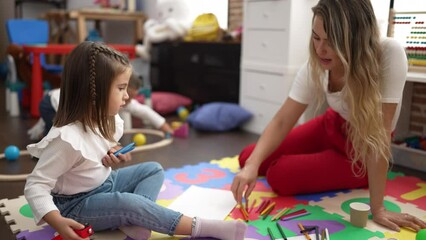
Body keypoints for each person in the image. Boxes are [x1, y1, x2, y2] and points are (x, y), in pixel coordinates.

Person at [231, 0, 426, 233]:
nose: (320, 49)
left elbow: (380, 138)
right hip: (331, 126)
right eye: (316, 37)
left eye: (331, 41)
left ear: (355, 39)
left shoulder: (388, 54)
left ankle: (355, 176)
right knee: (248, 158)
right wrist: (252, 166)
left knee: (279, 174)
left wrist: (378, 208)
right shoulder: (316, 63)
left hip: (362, 148)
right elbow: (283, 120)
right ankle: (315, 162)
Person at [24, 41, 247, 240]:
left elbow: (95, 152)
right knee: (130, 203)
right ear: (94, 94)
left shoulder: (108, 121)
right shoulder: (67, 140)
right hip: (75, 206)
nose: (127, 96)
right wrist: (57, 221)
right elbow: (36, 185)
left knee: (153, 169)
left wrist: (112, 152)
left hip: (104, 186)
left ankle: (133, 220)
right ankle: (201, 227)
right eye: (121, 88)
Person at [27, 72, 173, 140]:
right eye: (123, 91)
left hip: (61, 103)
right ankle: (44, 147)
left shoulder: (124, 100)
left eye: (132, 97)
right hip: (51, 103)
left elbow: (145, 112)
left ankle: (43, 133)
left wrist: (164, 126)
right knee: (57, 132)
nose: (128, 99)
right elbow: (82, 124)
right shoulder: (95, 102)